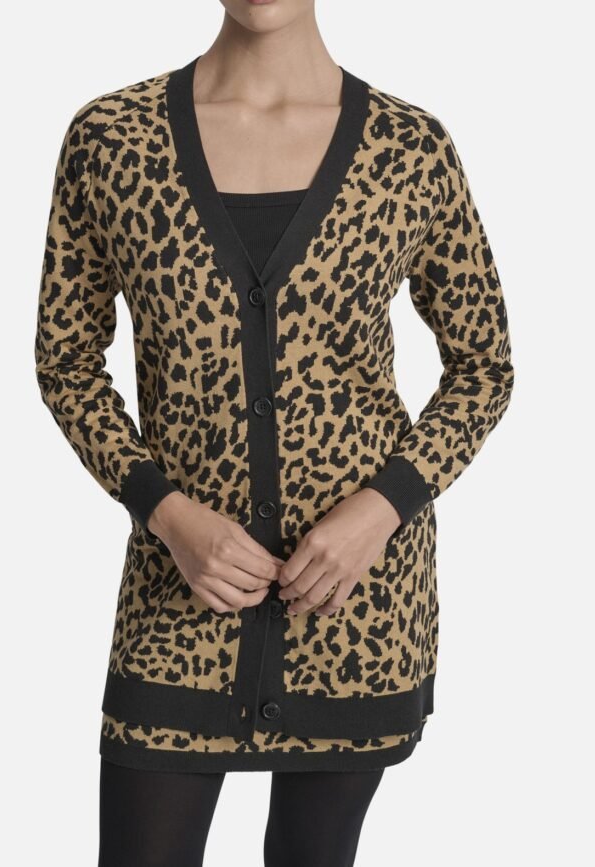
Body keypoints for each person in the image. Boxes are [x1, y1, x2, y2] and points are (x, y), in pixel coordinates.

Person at [34, 0, 515, 864]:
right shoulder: (113, 140)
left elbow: (484, 365)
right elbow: (66, 360)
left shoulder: (409, 149)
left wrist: (381, 509)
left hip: (355, 601)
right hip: (177, 596)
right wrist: (167, 514)